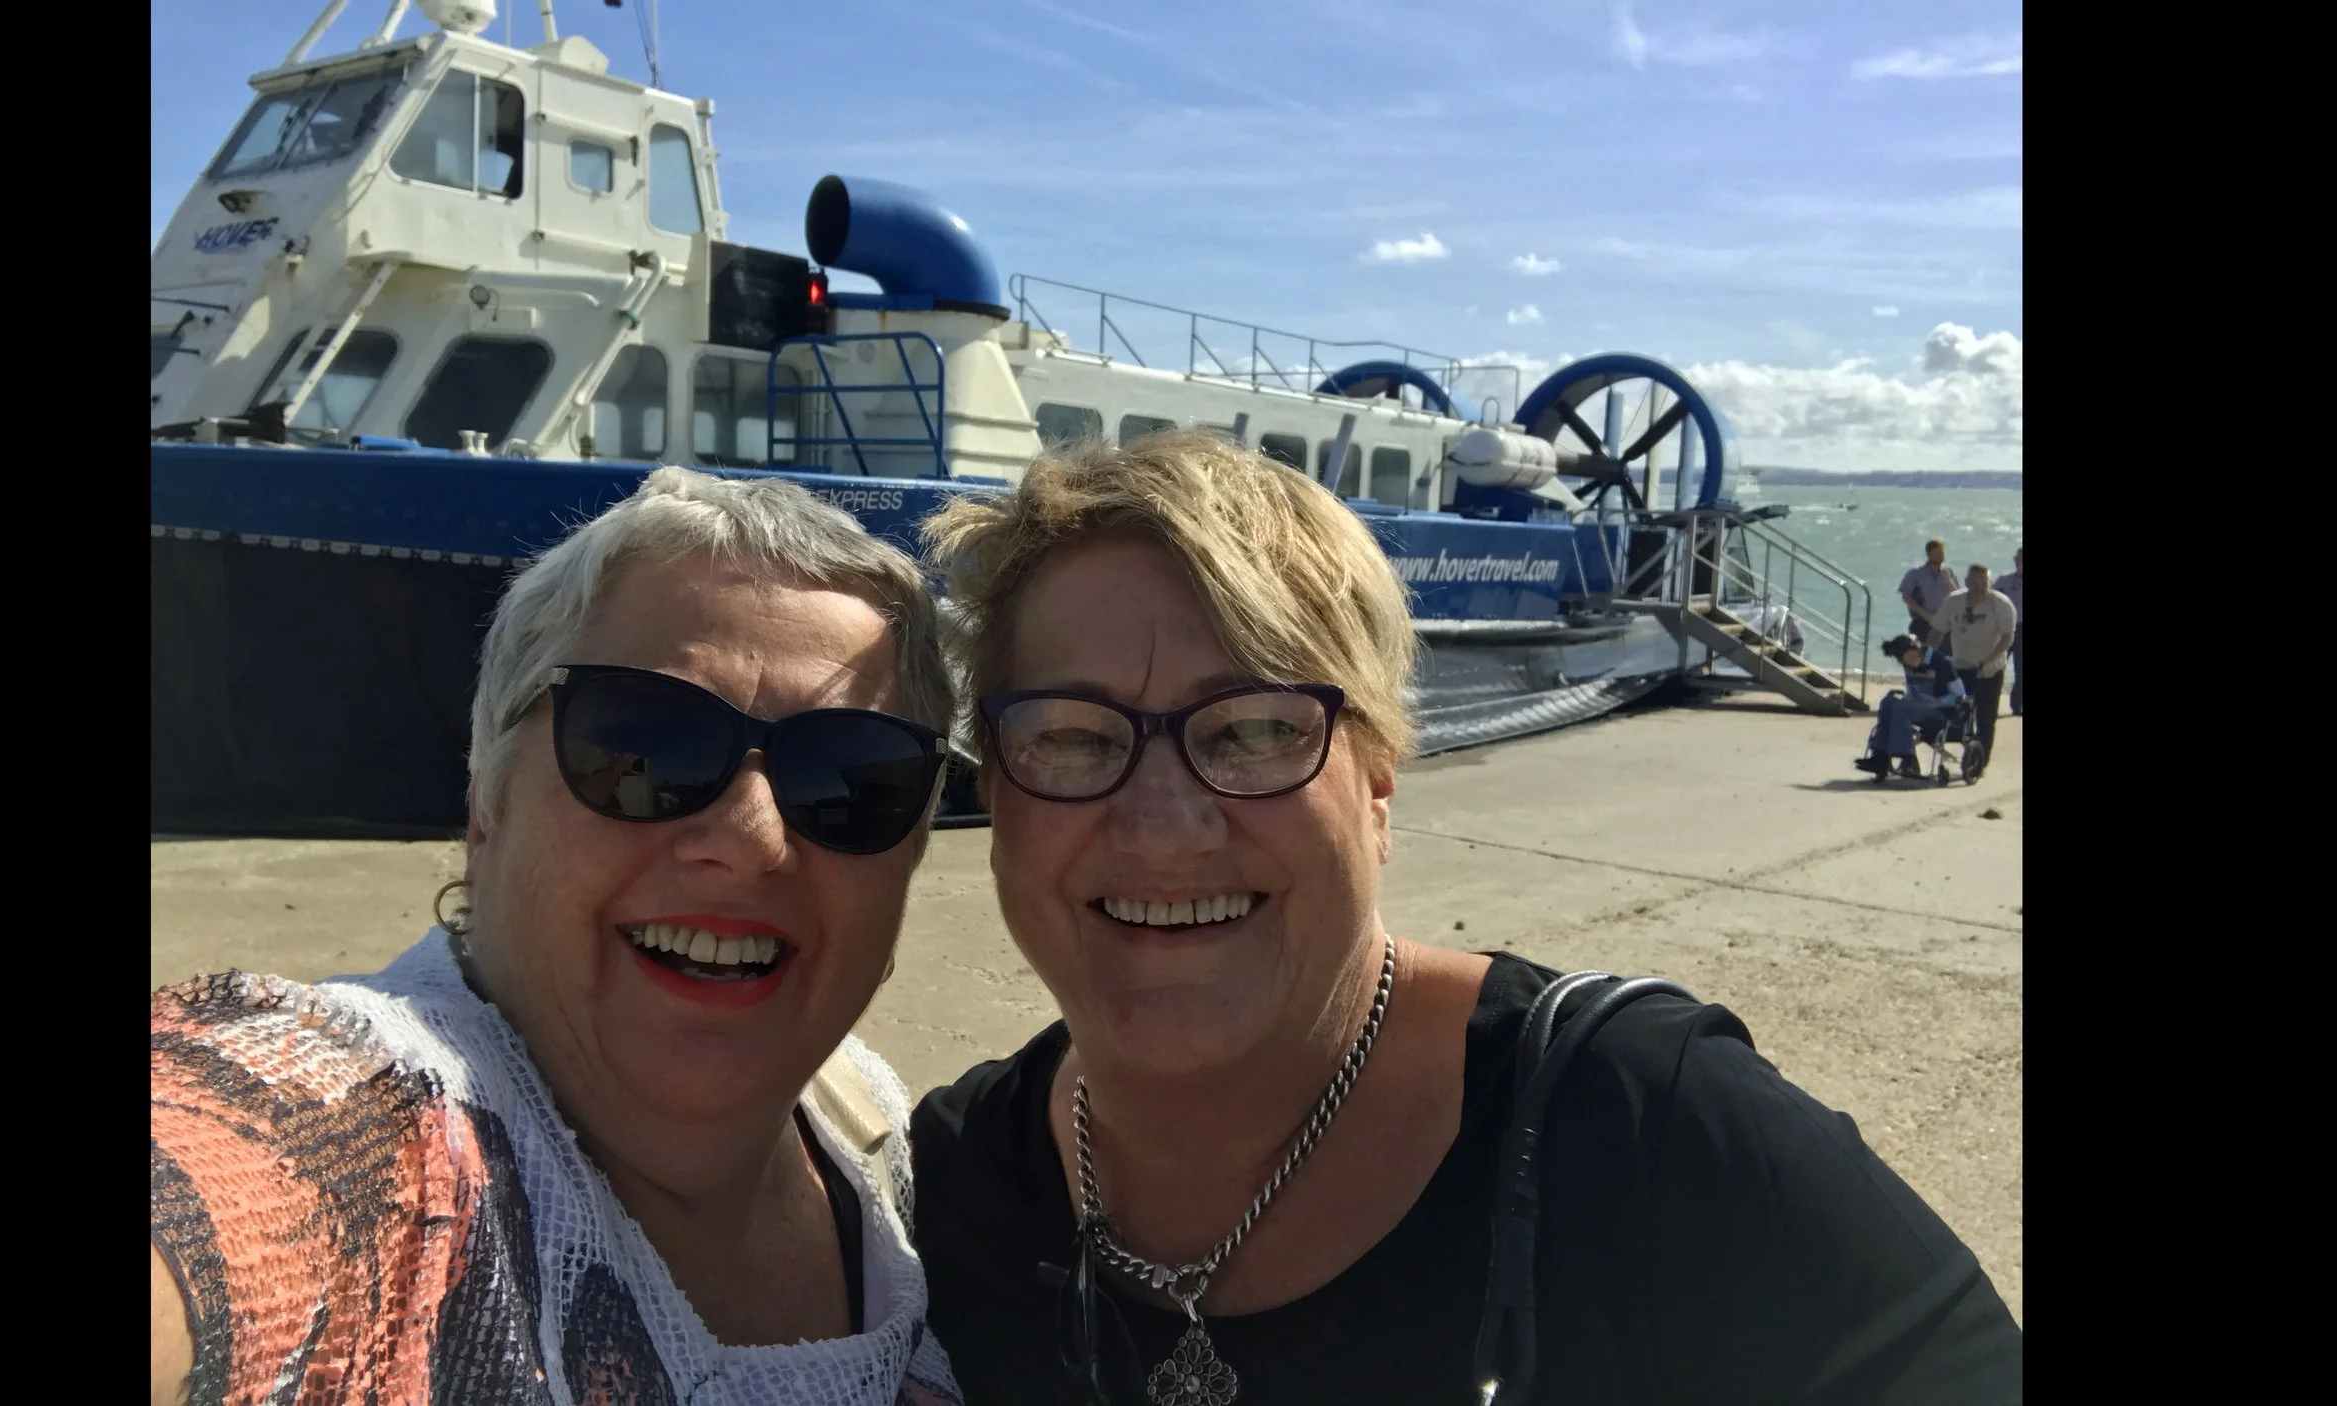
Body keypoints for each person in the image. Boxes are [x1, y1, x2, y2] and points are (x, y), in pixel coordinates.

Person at [908, 431, 2022, 1406]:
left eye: (1253, 729)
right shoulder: (945, 1193)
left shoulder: (1646, 1135)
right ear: (995, 790)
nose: (1162, 828)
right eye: (1072, 736)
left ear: (1378, 780)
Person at [150, 468, 965, 1404]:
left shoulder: (867, 1124)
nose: (750, 842)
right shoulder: (357, 1129)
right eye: (646, 749)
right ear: (487, 805)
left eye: (851, 779)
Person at [1930, 564, 2018, 772]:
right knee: (1961, 714)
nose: (1978, 587)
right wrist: (1928, 656)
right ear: (1967, 582)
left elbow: (2008, 637)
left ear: (1990, 582)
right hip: (1961, 666)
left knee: (1986, 718)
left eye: (1983, 583)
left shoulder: (2001, 604)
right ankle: (1969, 753)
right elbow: (1937, 631)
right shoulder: (1954, 601)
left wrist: (1989, 659)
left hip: (1990, 669)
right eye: (1974, 582)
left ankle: (1980, 762)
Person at [1857, 634, 1968, 779]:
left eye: (1908, 656)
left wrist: (1939, 702)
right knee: (1887, 702)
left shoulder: (1941, 663)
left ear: (1916, 650)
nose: (1907, 662)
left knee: (1901, 708)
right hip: (1916, 707)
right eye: (1903, 659)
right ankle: (1880, 757)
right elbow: (1912, 689)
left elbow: (1959, 694)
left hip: (1940, 712)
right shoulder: (1908, 664)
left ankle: (1907, 759)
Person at [1897, 538, 1959, 639]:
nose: (1941, 556)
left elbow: (1958, 597)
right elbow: (1906, 597)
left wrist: (1949, 581)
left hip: (1945, 623)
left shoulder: (1949, 573)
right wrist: (1924, 613)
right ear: (1929, 554)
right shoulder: (1916, 574)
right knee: (1924, 648)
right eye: (1937, 553)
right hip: (1923, 622)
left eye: (1942, 553)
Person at [1992, 548, 2022, 715]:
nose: (2020, 562)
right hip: (2004, 628)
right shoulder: (2005, 579)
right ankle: (1991, 705)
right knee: (1996, 667)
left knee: (2021, 671)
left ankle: (2017, 706)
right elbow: (1989, 598)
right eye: (2018, 559)